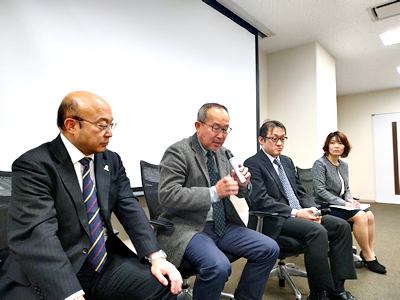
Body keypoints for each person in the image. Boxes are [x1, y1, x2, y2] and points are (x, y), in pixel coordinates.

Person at [0, 91, 182, 300]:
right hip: (57, 262)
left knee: (163, 285)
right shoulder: (35, 165)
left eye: (111, 125)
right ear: (71, 126)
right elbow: (39, 236)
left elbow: (129, 208)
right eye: (102, 125)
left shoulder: (110, 160)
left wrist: (156, 257)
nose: (110, 133)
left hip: (102, 259)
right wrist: (71, 294)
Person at [156, 103, 279, 300]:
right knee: (219, 266)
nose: (221, 135)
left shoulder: (223, 154)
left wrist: (243, 184)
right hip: (188, 228)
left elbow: (241, 193)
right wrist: (213, 193)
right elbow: (168, 195)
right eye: (215, 128)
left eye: (225, 129)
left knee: (269, 248)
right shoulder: (178, 152)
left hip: (223, 225)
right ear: (198, 125)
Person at [244, 120, 358, 300]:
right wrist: (297, 213)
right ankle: (318, 294)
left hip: (301, 214)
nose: (279, 143)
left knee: (341, 226)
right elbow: (261, 201)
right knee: (317, 231)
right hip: (276, 219)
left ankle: (337, 288)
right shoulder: (253, 163)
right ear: (261, 140)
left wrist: (313, 209)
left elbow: (300, 191)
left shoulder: (287, 162)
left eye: (282, 138)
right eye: (274, 139)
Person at [311, 131, 386, 274]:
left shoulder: (343, 165)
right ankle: (369, 257)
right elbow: (320, 191)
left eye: (340, 143)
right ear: (327, 145)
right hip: (325, 205)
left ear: (345, 147)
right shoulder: (320, 164)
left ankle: (368, 252)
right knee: (361, 216)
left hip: (339, 204)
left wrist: (350, 199)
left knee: (369, 215)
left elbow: (346, 188)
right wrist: (344, 204)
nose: (336, 146)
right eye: (332, 143)